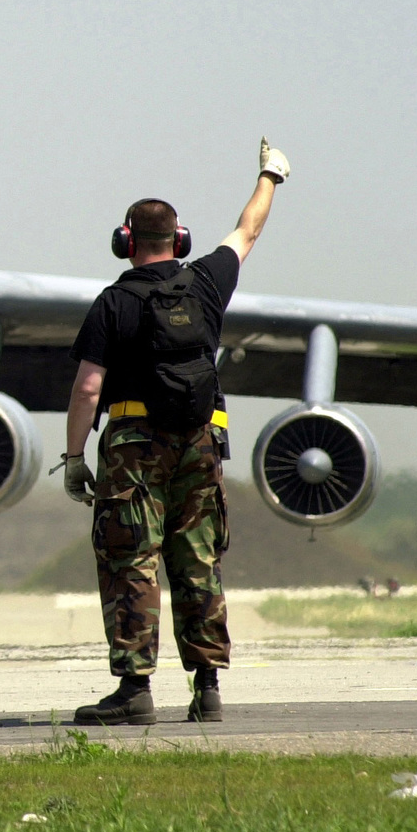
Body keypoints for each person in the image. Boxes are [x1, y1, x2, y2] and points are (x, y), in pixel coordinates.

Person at [62, 139, 291, 725]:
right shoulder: (208, 283)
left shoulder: (113, 302)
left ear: (126, 242)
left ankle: (135, 692)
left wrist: (73, 458)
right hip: (200, 443)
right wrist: (270, 175)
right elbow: (248, 230)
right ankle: (208, 689)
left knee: (131, 561)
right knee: (197, 559)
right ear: (180, 240)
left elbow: (89, 387)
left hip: (134, 448)